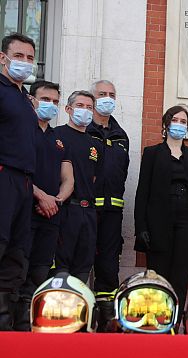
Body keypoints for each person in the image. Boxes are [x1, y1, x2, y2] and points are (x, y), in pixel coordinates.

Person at [134, 105, 188, 322]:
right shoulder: (152, 154)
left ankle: (175, 320)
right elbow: (142, 193)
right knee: (158, 274)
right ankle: (157, 320)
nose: (179, 124)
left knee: (180, 274)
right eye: (175, 120)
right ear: (166, 124)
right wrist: (142, 227)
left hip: (187, 221)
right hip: (159, 222)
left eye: (183, 121)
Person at [13, 80, 75, 331]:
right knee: (17, 271)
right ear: (32, 100)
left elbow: (68, 179)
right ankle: (9, 328)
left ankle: (27, 327)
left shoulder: (58, 138)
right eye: (45, 100)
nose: (51, 106)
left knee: (39, 273)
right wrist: (41, 197)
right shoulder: (21, 132)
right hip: (25, 213)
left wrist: (57, 200)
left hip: (51, 215)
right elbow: (19, 173)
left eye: (55, 102)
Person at [0, 33, 38, 330]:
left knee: (17, 250)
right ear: (4, 58)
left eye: (29, 57)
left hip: (24, 183)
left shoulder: (24, 97)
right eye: (19, 56)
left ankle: (5, 319)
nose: (25, 62)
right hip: (3, 176)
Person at [86, 80, 129, 331]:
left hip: (113, 212)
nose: (107, 98)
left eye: (112, 94)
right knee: (80, 260)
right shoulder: (84, 130)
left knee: (109, 266)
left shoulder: (120, 135)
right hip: (85, 209)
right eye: (102, 94)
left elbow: (121, 172)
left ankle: (106, 320)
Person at [53, 91, 101, 284]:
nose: (85, 111)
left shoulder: (95, 144)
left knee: (84, 264)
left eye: (89, 107)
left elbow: (95, 177)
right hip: (65, 209)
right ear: (68, 109)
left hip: (88, 211)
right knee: (61, 264)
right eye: (80, 106)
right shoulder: (57, 135)